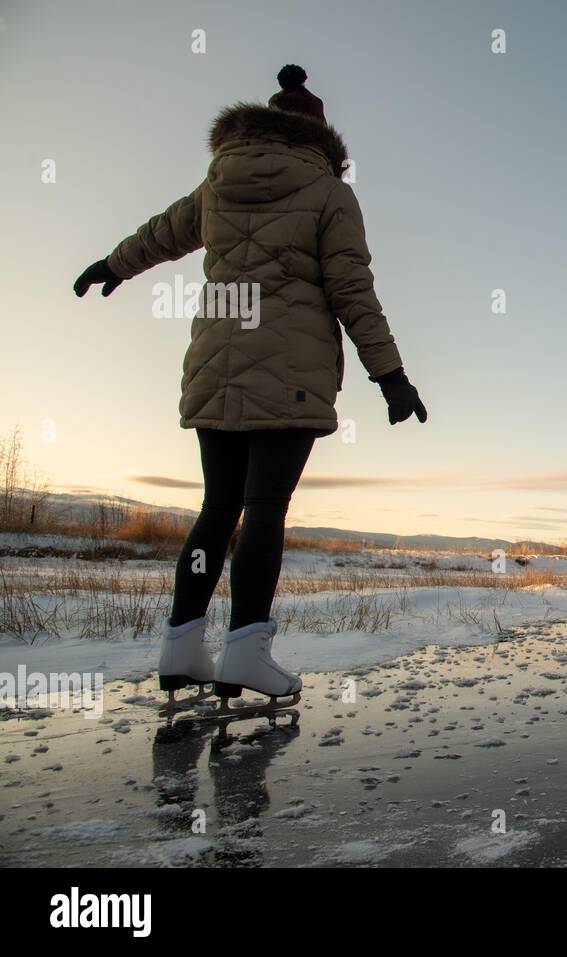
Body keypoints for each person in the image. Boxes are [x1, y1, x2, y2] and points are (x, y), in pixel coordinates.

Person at [73, 65, 425, 703]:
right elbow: (352, 289)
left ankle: (181, 649)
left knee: (217, 508)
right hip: (291, 372)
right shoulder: (329, 193)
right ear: (320, 137)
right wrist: (391, 374)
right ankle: (246, 652)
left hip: (216, 367)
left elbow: (161, 234)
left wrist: (112, 264)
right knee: (264, 510)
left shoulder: (216, 184)